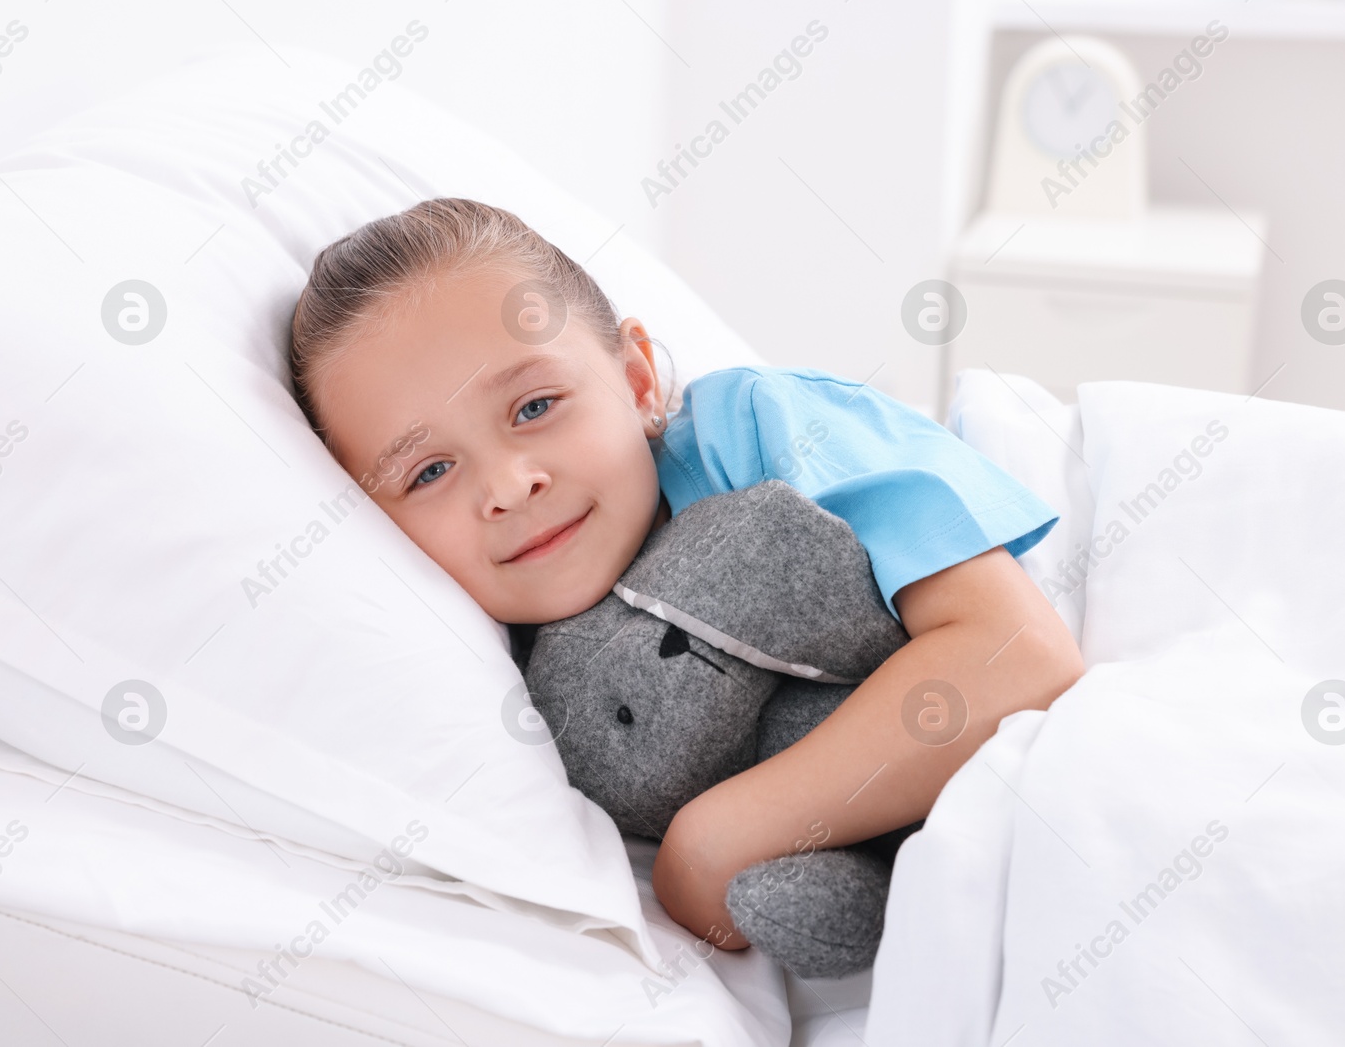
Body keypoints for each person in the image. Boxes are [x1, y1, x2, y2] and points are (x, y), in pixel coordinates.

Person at [289, 198, 1086, 953]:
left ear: (637, 382)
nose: (507, 486)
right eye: (428, 471)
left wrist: (714, 843)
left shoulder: (754, 427)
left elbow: (1017, 654)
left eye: (534, 406)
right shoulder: (485, 664)